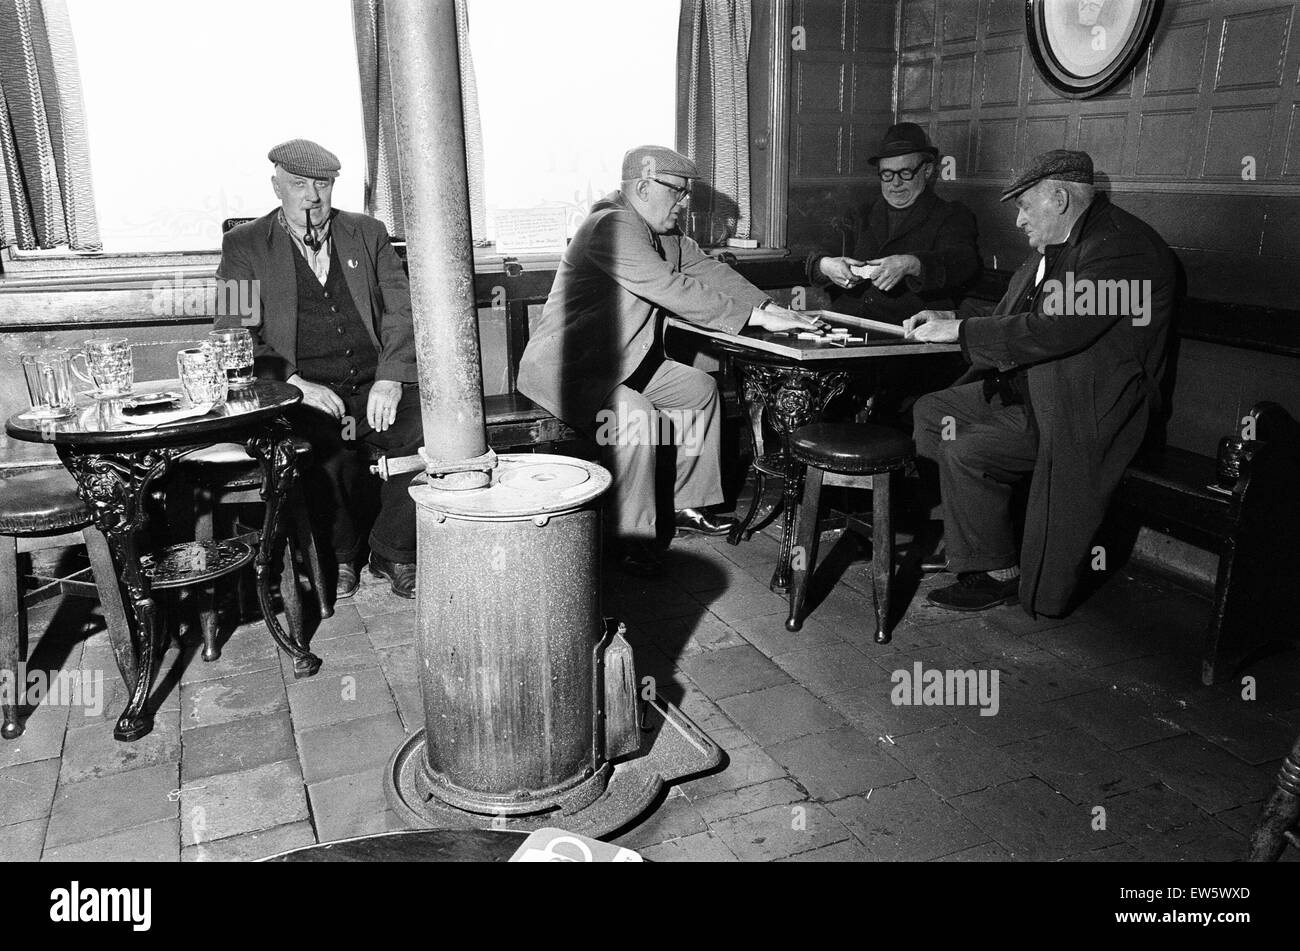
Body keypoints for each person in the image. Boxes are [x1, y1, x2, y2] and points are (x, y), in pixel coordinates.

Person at [517, 145, 818, 576]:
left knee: (698, 390)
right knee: (635, 417)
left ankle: (688, 503)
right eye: (676, 192)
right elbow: (669, 287)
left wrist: (770, 309)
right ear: (642, 187)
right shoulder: (611, 226)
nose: (683, 202)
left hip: (624, 362)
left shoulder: (665, 233)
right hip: (569, 372)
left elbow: (709, 271)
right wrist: (753, 318)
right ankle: (632, 537)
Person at [906, 149, 1175, 615]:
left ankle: (997, 572)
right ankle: (977, 539)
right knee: (933, 413)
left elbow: (1056, 328)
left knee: (965, 450)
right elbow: (1015, 316)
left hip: (1086, 407)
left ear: (1058, 197)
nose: (1019, 222)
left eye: (1024, 207)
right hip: (1035, 391)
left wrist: (960, 332)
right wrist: (951, 316)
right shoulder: (1057, 249)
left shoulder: (1121, 247)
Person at [216, 139, 422, 599]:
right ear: (277, 187)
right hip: (302, 391)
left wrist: (390, 376)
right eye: (298, 184)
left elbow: (402, 311)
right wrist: (292, 382)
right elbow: (234, 330)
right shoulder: (243, 245)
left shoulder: (367, 233)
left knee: (432, 430)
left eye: (321, 184)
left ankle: (394, 551)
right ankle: (341, 555)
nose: (311, 196)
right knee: (321, 447)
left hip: (375, 384)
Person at [806, 122, 980, 327]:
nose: (895, 183)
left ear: (927, 170)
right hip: (846, 327)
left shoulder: (951, 215)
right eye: (887, 174)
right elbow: (817, 254)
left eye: (905, 173)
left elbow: (963, 262)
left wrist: (911, 264)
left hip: (908, 336)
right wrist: (826, 265)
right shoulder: (859, 214)